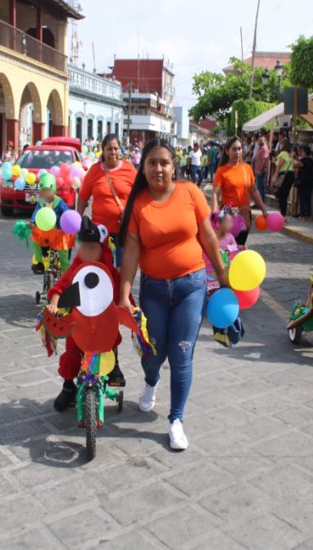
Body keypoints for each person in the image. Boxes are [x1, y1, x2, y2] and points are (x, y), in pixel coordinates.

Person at [118, 139, 228, 450]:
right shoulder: (139, 202)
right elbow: (132, 252)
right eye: (152, 162)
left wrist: (222, 276)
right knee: (153, 355)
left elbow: (207, 235)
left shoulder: (190, 192)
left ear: (174, 165)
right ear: (143, 167)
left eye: (164, 162)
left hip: (190, 287)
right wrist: (124, 294)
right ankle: (151, 382)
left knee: (181, 355)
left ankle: (176, 419)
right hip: (153, 289)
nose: (158, 168)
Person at [48, 216, 126, 411]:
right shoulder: (75, 269)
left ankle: (114, 365)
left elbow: (121, 295)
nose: (87, 252)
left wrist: (128, 308)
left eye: (93, 248)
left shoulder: (110, 272)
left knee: (113, 339)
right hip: (79, 323)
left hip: (103, 323)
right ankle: (68, 386)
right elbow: (61, 285)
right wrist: (55, 303)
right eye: (84, 248)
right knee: (71, 353)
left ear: (102, 250)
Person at [77, 133, 137, 268]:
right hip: (101, 232)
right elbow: (82, 197)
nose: (113, 152)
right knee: (103, 269)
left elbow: (140, 195)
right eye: (109, 149)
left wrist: (131, 213)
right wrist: (78, 220)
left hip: (124, 230)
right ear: (103, 151)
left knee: (123, 269)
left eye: (116, 148)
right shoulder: (94, 171)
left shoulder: (129, 169)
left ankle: (121, 290)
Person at [212, 136, 268, 245]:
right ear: (227, 151)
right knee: (226, 249)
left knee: (239, 247)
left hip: (244, 214)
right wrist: (214, 215)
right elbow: (215, 193)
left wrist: (264, 209)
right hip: (228, 214)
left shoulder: (247, 168)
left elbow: (254, 190)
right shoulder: (222, 171)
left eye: (239, 149)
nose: (237, 152)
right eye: (234, 149)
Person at [204, 208, 242, 348]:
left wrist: (238, 253)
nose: (231, 224)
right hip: (208, 275)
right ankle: (218, 330)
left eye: (232, 222)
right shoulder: (210, 237)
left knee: (223, 299)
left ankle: (221, 330)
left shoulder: (230, 238)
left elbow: (229, 256)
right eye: (228, 222)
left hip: (222, 274)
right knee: (214, 301)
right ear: (219, 223)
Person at [30, 178, 73, 273]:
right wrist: (32, 222)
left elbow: (66, 212)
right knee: (35, 237)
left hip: (59, 233)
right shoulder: (40, 203)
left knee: (64, 256)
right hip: (46, 233)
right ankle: (39, 263)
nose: (46, 193)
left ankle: (66, 276)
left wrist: (69, 220)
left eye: (48, 190)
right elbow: (36, 213)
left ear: (53, 190)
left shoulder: (59, 202)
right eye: (44, 191)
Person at [272, 142, 295, 217]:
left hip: (284, 175)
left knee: (282, 195)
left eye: (281, 144)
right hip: (290, 175)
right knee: (284, 195)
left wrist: (275, 176)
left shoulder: (283, 153)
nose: (280, 145)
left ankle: (283, 215)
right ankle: (283, 214)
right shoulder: (289, 155)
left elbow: (279, 165)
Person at [296, 145, 313, 220]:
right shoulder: (311, 161)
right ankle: (308, 214)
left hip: (303, 183)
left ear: (305, 152)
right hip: (309, 183)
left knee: (302, 199)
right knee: (308, 199)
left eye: (302, 151)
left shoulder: (303, 160)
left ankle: (303, 215)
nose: (301, 153)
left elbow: (296, 165)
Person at [253, 136, 270, 201]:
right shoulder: (260, 148)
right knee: (259, 187)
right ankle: (258, 201)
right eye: (259, 140)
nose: (259, 142)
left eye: (261, 140)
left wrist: (260, 169)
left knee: (260, 187)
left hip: (261, 172)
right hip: (258, 171)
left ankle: (260, 201)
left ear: (264, 141)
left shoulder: (264, 148)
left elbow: (265, 159)